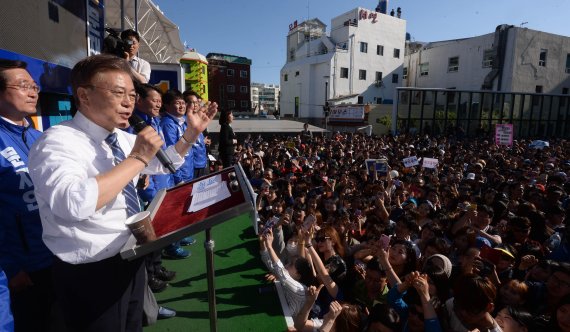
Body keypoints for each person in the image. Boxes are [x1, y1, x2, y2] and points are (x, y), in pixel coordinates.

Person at [28, 54, 217, 331]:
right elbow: (73, 203)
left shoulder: (119, 137)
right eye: (118, 93)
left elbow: (161, 164)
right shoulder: (57, 142)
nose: (129, 101)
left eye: (131, 93)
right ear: (84, 95)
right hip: (91, 272)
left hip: (129, 256)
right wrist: (136, 159)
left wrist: (190, 134)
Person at [0, 59, 57, 331]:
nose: (33, 92)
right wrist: (10, 266)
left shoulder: (38, 137)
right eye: (23, 86)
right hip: (21, 268)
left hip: (53, 254)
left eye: (34, 86)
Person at [159, 89, 196, 258]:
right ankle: (172, 246)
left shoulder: (180, 121)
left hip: (186, 171)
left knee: (182, 208)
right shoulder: (168, 124)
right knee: (174, 209)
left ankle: (179, 237)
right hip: (176, 175)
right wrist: (178, 177)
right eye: (177, 102)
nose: (181, 105)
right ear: (166, 106)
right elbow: (172, 153)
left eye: (182, 102)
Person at [183, 90, 210, 178]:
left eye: (197, 102)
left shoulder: (198, 118)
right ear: (185, 104)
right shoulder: (183, 120)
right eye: (192, 102)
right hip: (192, 165)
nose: (196, 105)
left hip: (202, 162)